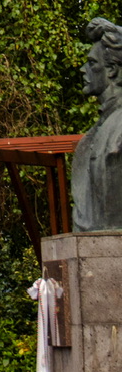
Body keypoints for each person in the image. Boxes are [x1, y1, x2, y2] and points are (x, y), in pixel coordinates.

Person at [72, 17, 122, 230]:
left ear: (112, 69)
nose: (83, 70)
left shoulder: (118, 130)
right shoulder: (95, 133)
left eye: (92, 63)